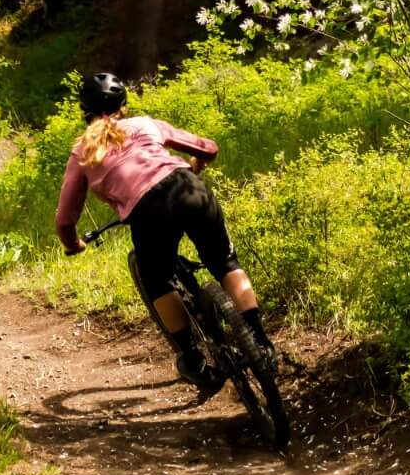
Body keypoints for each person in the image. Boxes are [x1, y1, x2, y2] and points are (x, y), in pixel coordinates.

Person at [55, 72, 275, 387]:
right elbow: (208, 147)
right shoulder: (144, 124)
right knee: (224, 262)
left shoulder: (82, 152)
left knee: (156, 281)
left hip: (148, 211)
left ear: (85, 112)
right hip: (188, 187)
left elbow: (65, 220)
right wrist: (197, 163)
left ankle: (194, 360)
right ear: (123, 107)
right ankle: (261, 343)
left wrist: (73, 244)